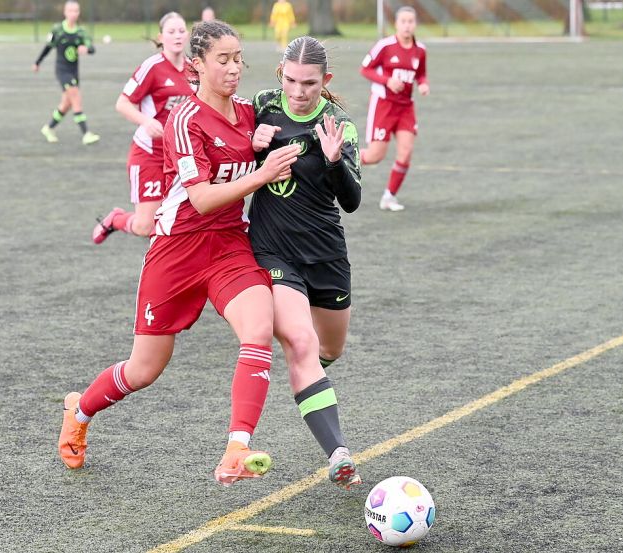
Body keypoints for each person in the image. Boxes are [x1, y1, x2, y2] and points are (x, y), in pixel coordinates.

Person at [58, 20, 301, 486]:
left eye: (238, 59)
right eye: (223, 60)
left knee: (258, 331)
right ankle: (80, 411)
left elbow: (296, 111)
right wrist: (260, 172)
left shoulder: (250, 113)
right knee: (144, 369)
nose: (234, 69)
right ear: (197, 65)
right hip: (177, 252)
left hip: (229, 245)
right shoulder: (183, 119)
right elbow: (202, 198)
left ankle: (236, 449)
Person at [250, 36, 362, 489]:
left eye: (309, 83)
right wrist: (250, 143)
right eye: (292, 80)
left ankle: (308, 379)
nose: (298, 91)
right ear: (281, 74)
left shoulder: (339, 125)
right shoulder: (260, 105)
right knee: (299, 343)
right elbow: (225, 148)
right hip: (273, 251)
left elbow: (352, 201)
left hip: (326, 253)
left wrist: (335, 162)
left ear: (325, 81)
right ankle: (338, 454)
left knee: (328, 349)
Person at [92, 12, 195, 245]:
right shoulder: (152, 67)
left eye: (181, 31)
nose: (177, 36)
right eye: (171, 32)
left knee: (183, 221)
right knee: (144, 226)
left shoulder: (194, 70)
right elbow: (122, 103)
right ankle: (116, 219)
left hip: (181, 157)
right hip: (150, 155)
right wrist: (146, 121)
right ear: (161, 37)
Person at [359, 6, 428, 212]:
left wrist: (423, 83)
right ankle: (340, 158)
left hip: (406, 107)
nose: (407, 26)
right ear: (396, 24)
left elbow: (421, 74)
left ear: (415, 24)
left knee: (405, 154)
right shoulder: (385, 46)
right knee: (374, 156)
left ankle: (389, 196)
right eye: (403, 21)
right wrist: (387, 80)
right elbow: (365, 69)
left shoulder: (420, 50)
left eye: (411, 21)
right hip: (384, 105)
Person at [33, 1, 100, 146]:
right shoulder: (57, 30)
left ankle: (48, 128)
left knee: (66, 104)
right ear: (65, 12)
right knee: (76, 97)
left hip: (74, 71)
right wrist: (37, 62)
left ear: (78, 13)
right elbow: (47, 47)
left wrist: (86, 49)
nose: (73, 14)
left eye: (76, 11)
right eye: (70, 11)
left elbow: (92, 48)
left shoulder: (81, 32)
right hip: (62, 70)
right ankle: (86, 133)